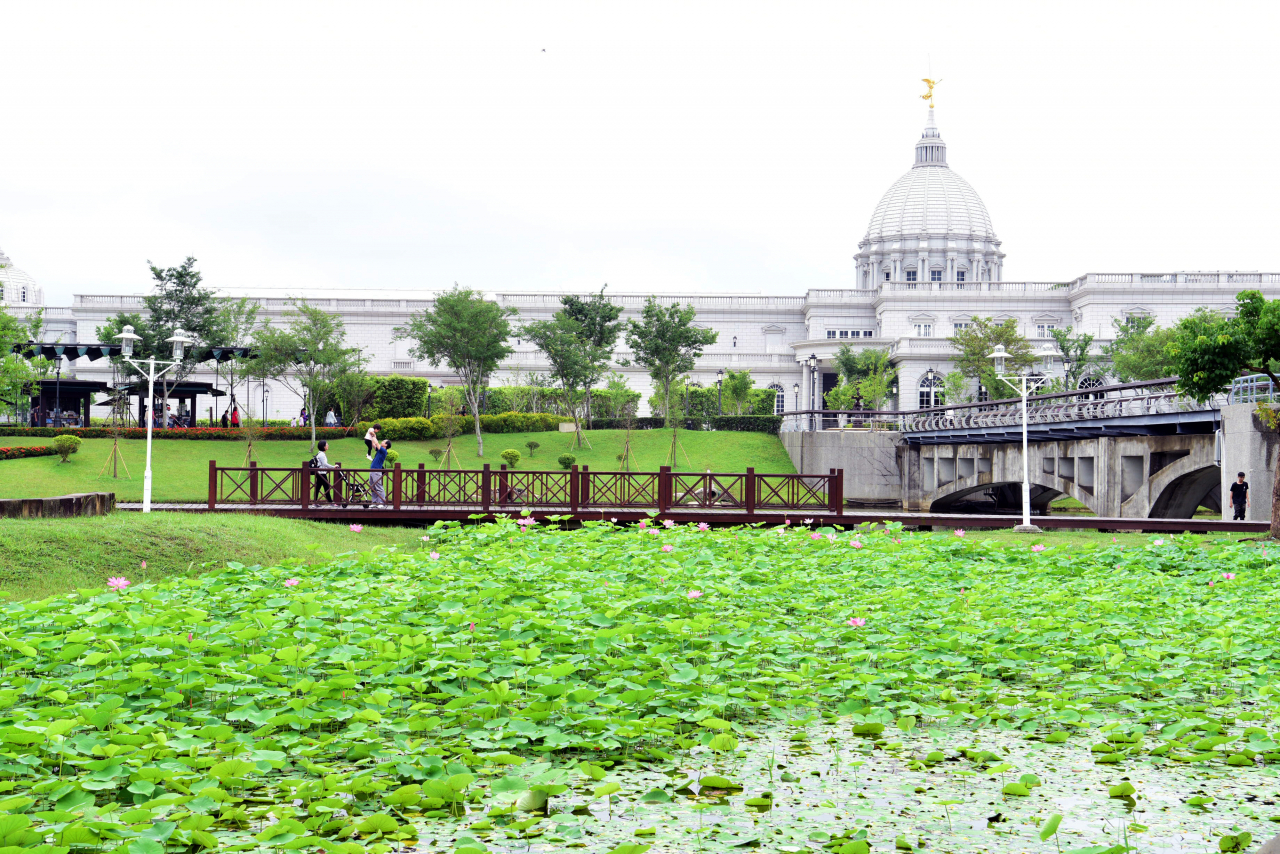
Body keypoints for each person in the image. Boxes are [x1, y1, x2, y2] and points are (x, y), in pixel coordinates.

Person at [370, 439, 390, 504]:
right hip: (372, 470)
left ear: (386, 445)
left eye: (384, 441)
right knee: (373, 488)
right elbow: (373, 444)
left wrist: (373, 436)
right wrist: (371, 438)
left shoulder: (384, 451)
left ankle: (381, 502)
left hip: (377, 470)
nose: (382, 442)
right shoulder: (379, 450)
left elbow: (376, 443)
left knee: (378, 487)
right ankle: (375, 502)